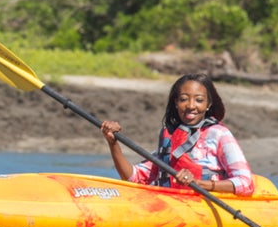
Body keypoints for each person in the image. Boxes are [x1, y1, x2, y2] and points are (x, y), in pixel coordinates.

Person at [100, 72, 254, 196]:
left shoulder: (219, 134)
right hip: (170, 206)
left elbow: (246, 182)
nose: (191, 106)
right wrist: (113, 143)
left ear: (209, 104)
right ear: (176, 102)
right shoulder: (171, 136)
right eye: (184, 99)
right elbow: (134, 178)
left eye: (199, 100)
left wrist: (201, 184)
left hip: (204, 207)